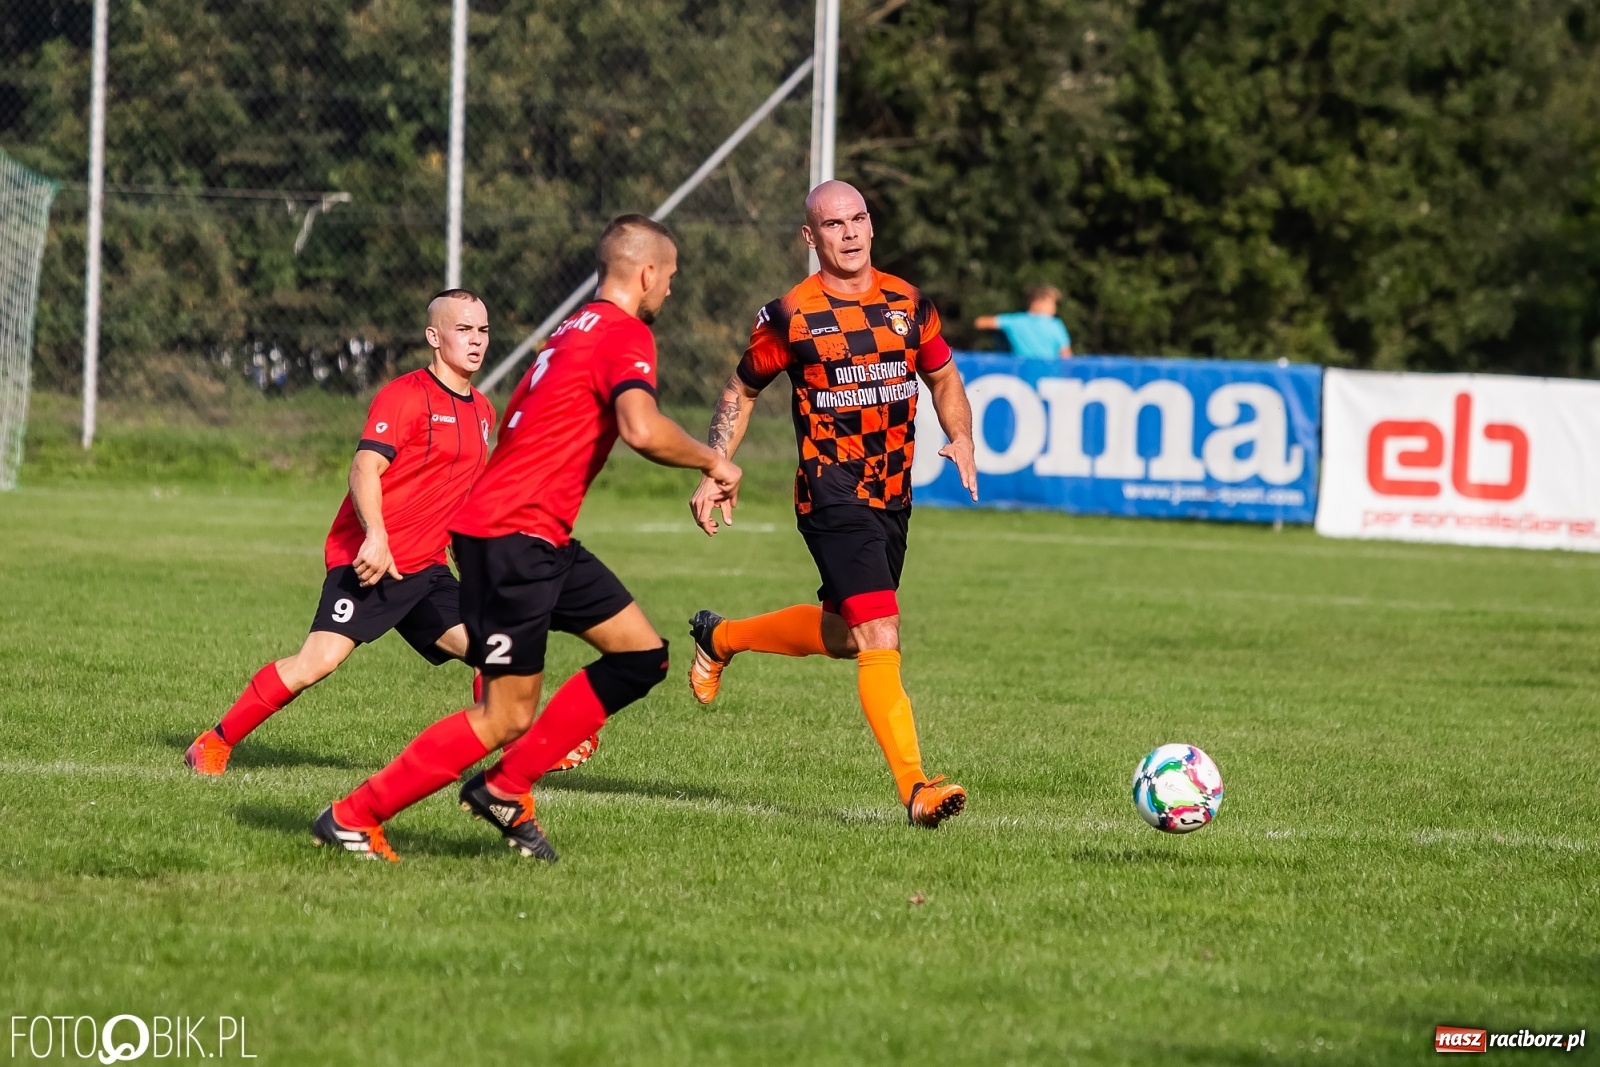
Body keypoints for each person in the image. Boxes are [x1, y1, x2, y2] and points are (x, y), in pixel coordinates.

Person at [311, 215, 741, 863]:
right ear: (647, 273)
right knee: (504, 717)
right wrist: (715, 460)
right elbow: (642, 428)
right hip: (514, 534)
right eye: (670, 278)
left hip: (534, 531)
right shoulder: (624, 333)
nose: (670, 292)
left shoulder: (572, 328)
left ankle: (507, 785)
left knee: (642, 654)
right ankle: (353, 815)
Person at [684, 180, 978, 829]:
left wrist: (960, 434)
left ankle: (721, 636)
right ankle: (916, 788)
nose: (848, 232)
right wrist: (716, 463)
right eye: (832, 224)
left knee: (849, 636)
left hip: (891, 492)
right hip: (830, 490)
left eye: (857, 219)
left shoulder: (909, 303)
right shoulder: (790, 315)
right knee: (882, 632)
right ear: (809, 238)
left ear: (870, 225)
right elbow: (741, 388)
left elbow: (943, 375)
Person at [185, 290, 500, 776]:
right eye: (463, 330)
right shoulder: (406, 396)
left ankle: (512, 767)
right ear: (434, 337)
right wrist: (375, 534)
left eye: (482, 330)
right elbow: (363, 468)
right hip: (371, 561)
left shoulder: (482, 411)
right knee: (317, 663)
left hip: (428, 569)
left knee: (492, 650)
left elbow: (457, 492)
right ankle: (214, 742)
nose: (476, 341)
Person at [975, 284, 1073, 359]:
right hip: (1048, 375)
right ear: (1037, 303)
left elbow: (980, 322)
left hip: (1022, 374)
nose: (1054, 309)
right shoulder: (1055, 325)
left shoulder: (1015, 321)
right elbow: (1066, 355)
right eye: (1051, 303)